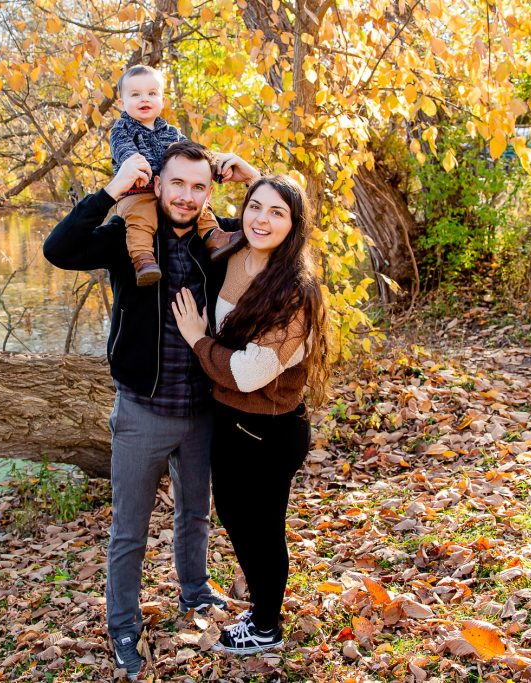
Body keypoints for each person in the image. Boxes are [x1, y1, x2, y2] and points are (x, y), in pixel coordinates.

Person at [42, 140, 260, 679]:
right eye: (177, 184)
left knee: (195, 513)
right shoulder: (127, 235)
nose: (186, 196)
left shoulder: (220, 241)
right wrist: (111, 190)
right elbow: (59, 250)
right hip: (142, 409)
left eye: (198, 186)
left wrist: (256, 180)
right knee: (130, 529)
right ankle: (122, 624)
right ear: (157, 184)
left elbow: (280, 225)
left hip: (204, 409)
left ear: (210, 192)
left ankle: (195, 591)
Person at [171, 175, 330, 655]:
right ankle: (264, 612)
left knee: (259, 531)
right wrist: (241, 168)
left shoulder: (293, 292)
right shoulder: (236, 248)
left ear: (294, 224)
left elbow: (247, 374)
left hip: (268, 430)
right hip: (233, 423)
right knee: (241, 523)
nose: (262, 219)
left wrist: (198, 339)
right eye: (254, 207)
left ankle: (265, 627)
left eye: (277, 212)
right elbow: (200, 219)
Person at [109, 64, 245, 286]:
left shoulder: (172, 132)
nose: (145, 99)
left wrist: (218, 170)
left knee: (202, 208)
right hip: (137, 191)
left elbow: (196, 157)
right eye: (136, 95)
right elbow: (124, 151)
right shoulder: (122, 129)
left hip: (168, 191)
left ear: (162, 100)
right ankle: (143, 259)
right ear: (122, 103)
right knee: (141, 219)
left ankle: (214, 237)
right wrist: (137, 166)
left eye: (152, 93)